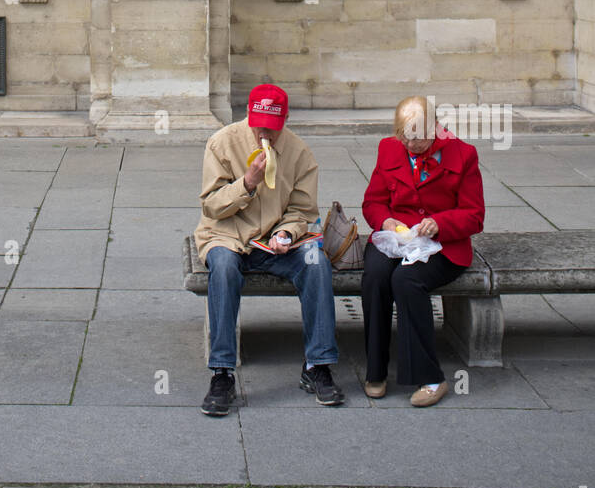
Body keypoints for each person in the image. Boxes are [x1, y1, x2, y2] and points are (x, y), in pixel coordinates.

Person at [195, 83, 344, 415]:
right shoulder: (222, 143)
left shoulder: (299, 152)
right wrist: (247, 183)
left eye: (273, 128)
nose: (266, 133)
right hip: (228, 236)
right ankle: (222, 372)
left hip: (274, 241)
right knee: (223, 268)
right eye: (260, 125)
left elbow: (303, 211)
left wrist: (288, 234)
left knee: (315, 262)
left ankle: (318, 365)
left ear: (286, 119)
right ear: (248, 115)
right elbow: (212, 207)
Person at [360, 95, 485, 407]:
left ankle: (431, 377)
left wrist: (440, 223)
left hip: (443, 245)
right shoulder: (388, 148)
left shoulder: (463, 154)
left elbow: (474, 214)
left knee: (406, 280)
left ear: (435, 127)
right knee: (375, 275)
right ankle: (376, 370)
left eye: (419, 137)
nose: (412, 144)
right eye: (406, 137)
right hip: (397, 237)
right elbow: (372, 202)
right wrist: (385, 220)